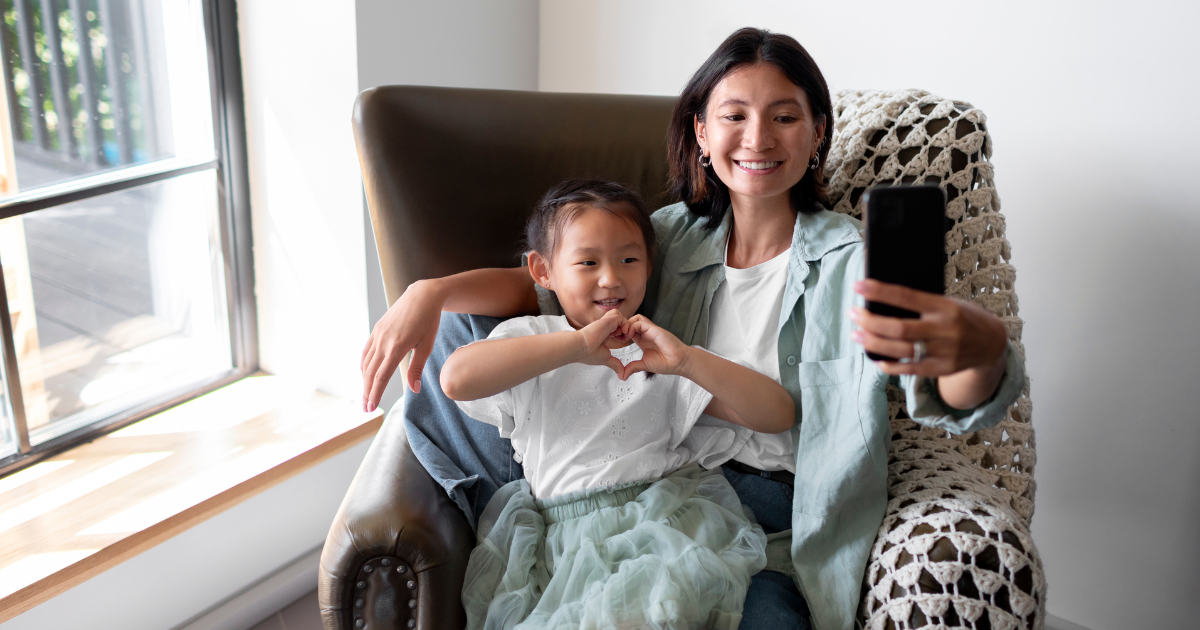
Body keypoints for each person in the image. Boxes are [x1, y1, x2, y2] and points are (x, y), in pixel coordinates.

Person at [360, 28, 1025, 630]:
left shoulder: (853, 259)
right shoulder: (667, 235)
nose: (758, 138)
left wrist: (981, 353)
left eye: (785, 117)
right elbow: (548, 290)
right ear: (701, 133)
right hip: (650, 486)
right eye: (734, 116)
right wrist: (432, 291)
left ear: (818, 131)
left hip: (775, 516)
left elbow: (944, 401)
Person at [443, 179, 794, 629]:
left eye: (629, 260)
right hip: (571, 542)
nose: (611, 279)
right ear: (543, 271)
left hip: (669, 519)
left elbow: (777, 414)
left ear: (649, 266)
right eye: (587, 262)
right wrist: (574, 348)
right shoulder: (533, 342)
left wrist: (687, 361)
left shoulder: (655, 354)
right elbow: (456, 378)